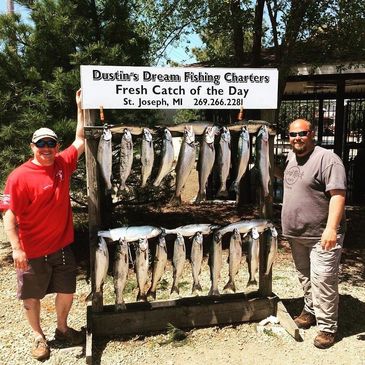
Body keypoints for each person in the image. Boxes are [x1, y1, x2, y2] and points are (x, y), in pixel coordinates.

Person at [0, 89, 85, 361]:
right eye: (41, 144)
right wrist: (17, 248)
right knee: (31, 297)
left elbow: (81, 139)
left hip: (61, 246)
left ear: (56, 146)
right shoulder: (19, 177)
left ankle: (62, 329)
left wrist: (80, 107)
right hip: (32, 250)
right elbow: (9, 215)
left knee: (68, 290)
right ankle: (39, 337)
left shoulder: (62, 164)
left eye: (51, 143)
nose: (46, 148)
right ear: (32, 147)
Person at [281, 118, 346, 349]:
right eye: (292, 134)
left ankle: (328, 327)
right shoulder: (291, 157)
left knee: (323, 280)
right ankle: (309, 310)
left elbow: (338, 194)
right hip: (297, 233)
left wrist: (331, 228)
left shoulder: (328, 160)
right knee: (306, 277)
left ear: (312, 134)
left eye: (302, 133)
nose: (297, 138)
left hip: (322, 234)